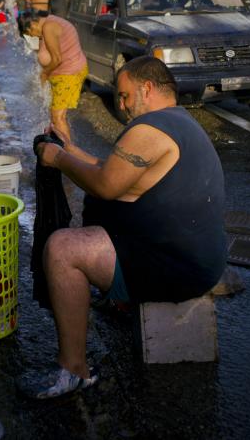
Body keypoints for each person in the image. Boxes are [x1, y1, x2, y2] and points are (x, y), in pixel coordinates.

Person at [21, 56, 226, 399]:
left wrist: (55, 158)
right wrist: (68, 148)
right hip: (199, 260)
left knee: (62, 249)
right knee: (92, 225)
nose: (121, 104)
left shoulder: (150, 129)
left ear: (147, 88)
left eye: (125, 95)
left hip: (177, 267)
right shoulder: (178, 122)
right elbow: (111, 169)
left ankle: (74, 371)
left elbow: (106, 185)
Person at [18, 9, 88, 143]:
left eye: (29, 33)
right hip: (67, 72)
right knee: (58, 115)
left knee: (57, 117)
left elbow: (57, 59)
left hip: (69, 74)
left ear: (32, 25)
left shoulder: (49, 27)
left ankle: (68, 154)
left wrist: (44, 74)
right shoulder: (48, 21)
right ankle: (61, 144)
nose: (33, 37)